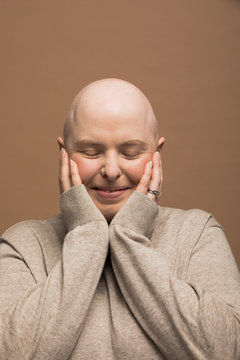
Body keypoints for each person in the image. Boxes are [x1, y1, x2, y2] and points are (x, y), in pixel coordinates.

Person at [0, 78, 239, 360]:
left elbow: (227, 351)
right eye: (91, 151)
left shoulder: (198, 233)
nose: (111, 170)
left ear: (156, 154)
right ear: (64, 154)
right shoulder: (23, 244)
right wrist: (87, 232)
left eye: (130, 153)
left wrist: (129, 237)